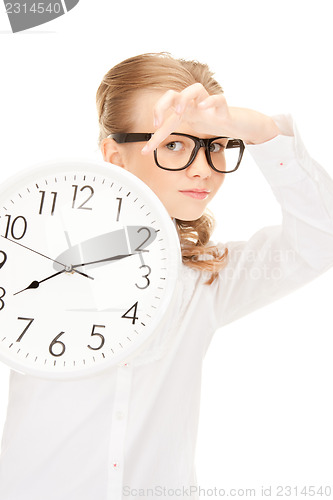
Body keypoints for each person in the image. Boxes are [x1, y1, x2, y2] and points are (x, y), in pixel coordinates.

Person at [0, 52, 332, 500]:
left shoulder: (207, 279)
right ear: (114, 157)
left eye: (215, 145)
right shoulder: (25, 253)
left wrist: (261, 132)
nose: (203, 168)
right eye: (174, 144)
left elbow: (319, 239)